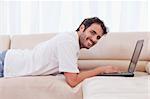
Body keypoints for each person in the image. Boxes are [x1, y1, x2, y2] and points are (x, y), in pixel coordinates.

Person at [0, 17, 122, 87]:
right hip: (7, 63)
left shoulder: (72, 42)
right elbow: (73, 81)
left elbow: (73, 72)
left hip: (8, 60)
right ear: (82, 28)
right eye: (93, 33)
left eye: (98, 37)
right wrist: (101, 69)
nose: (94, 39)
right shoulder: (68, 42)